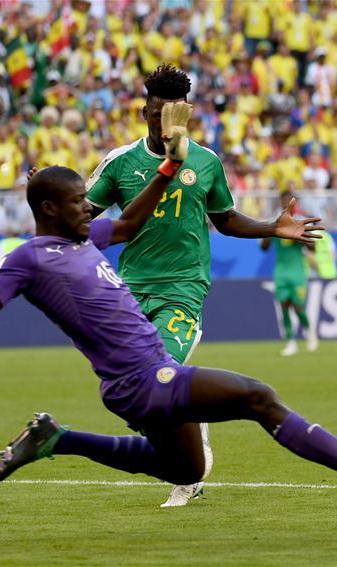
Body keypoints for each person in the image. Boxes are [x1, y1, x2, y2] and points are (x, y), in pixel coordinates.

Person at [0, 103, 337, 505]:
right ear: (50, 208)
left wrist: (170, 168)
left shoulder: (86, 238)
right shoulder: (29, 259)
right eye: (80, 202)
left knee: (182, 468)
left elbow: (130, 222)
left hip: (135, 383)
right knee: (258, 397)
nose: (91, 207)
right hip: (142, 379)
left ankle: (57, 438)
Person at [85, 64, 323, 506]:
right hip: (131, 288)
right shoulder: (120, 162)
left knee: (154, 379)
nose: (163, 125)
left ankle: (189, 473)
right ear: (144, 114)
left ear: (186, 115)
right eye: (156, 115)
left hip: (183, 286)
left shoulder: (206, 162)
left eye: (171, 116)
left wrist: (273, 227)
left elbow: (226, 220)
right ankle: (194, 417)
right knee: (132, 393)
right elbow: (82, 216)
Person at [261, 191, 319, 356]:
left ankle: (309, 332)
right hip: (281, 271)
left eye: (290, 202)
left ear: (294, 204)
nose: (287, 205)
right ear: (280, 203)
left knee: (297, 305)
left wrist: (299, 236)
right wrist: (268, 232)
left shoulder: (300, 222)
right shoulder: (275, 221)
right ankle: (291, 342)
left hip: (298, 271)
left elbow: (312, 247)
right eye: (284, 202)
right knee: (284, 305)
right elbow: (264, 248)